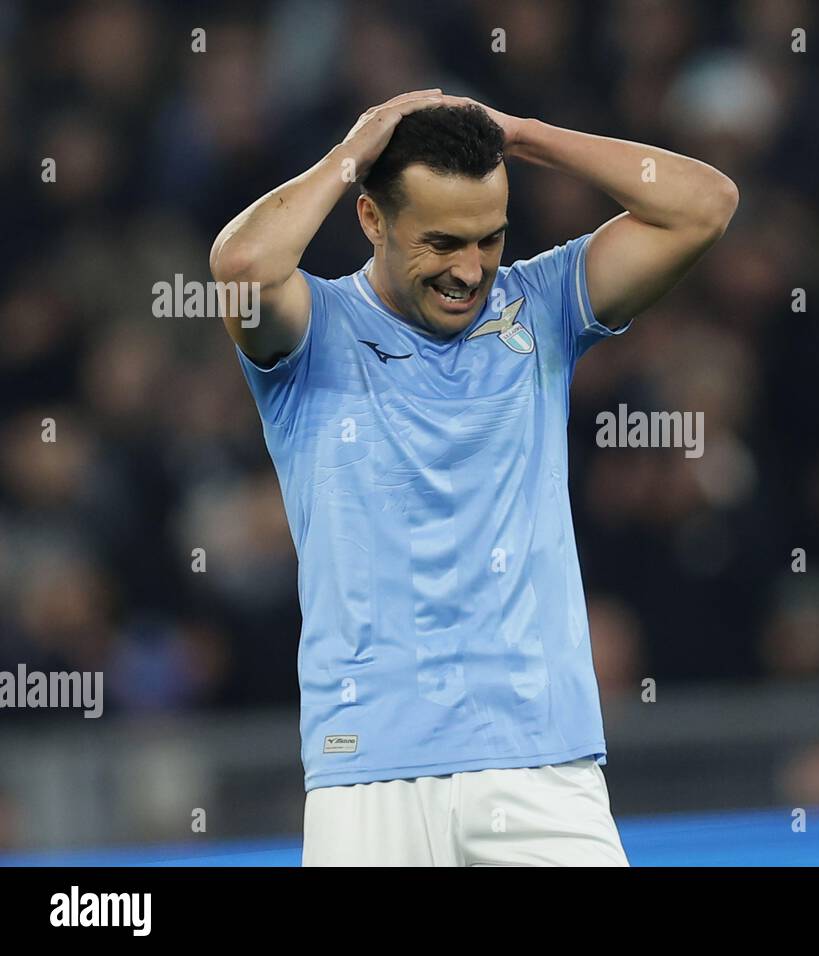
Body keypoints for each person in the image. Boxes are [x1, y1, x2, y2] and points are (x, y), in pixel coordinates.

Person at [209, 89, 738, 865]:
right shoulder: (312, 331)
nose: (470, 270)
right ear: (371, 219)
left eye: (490, 238)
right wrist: (355, 150)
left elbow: (704, 205)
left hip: (541, 761)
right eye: (443, 242)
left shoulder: (543, 304)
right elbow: (241, 265)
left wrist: (524, 134)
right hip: (368, 766)